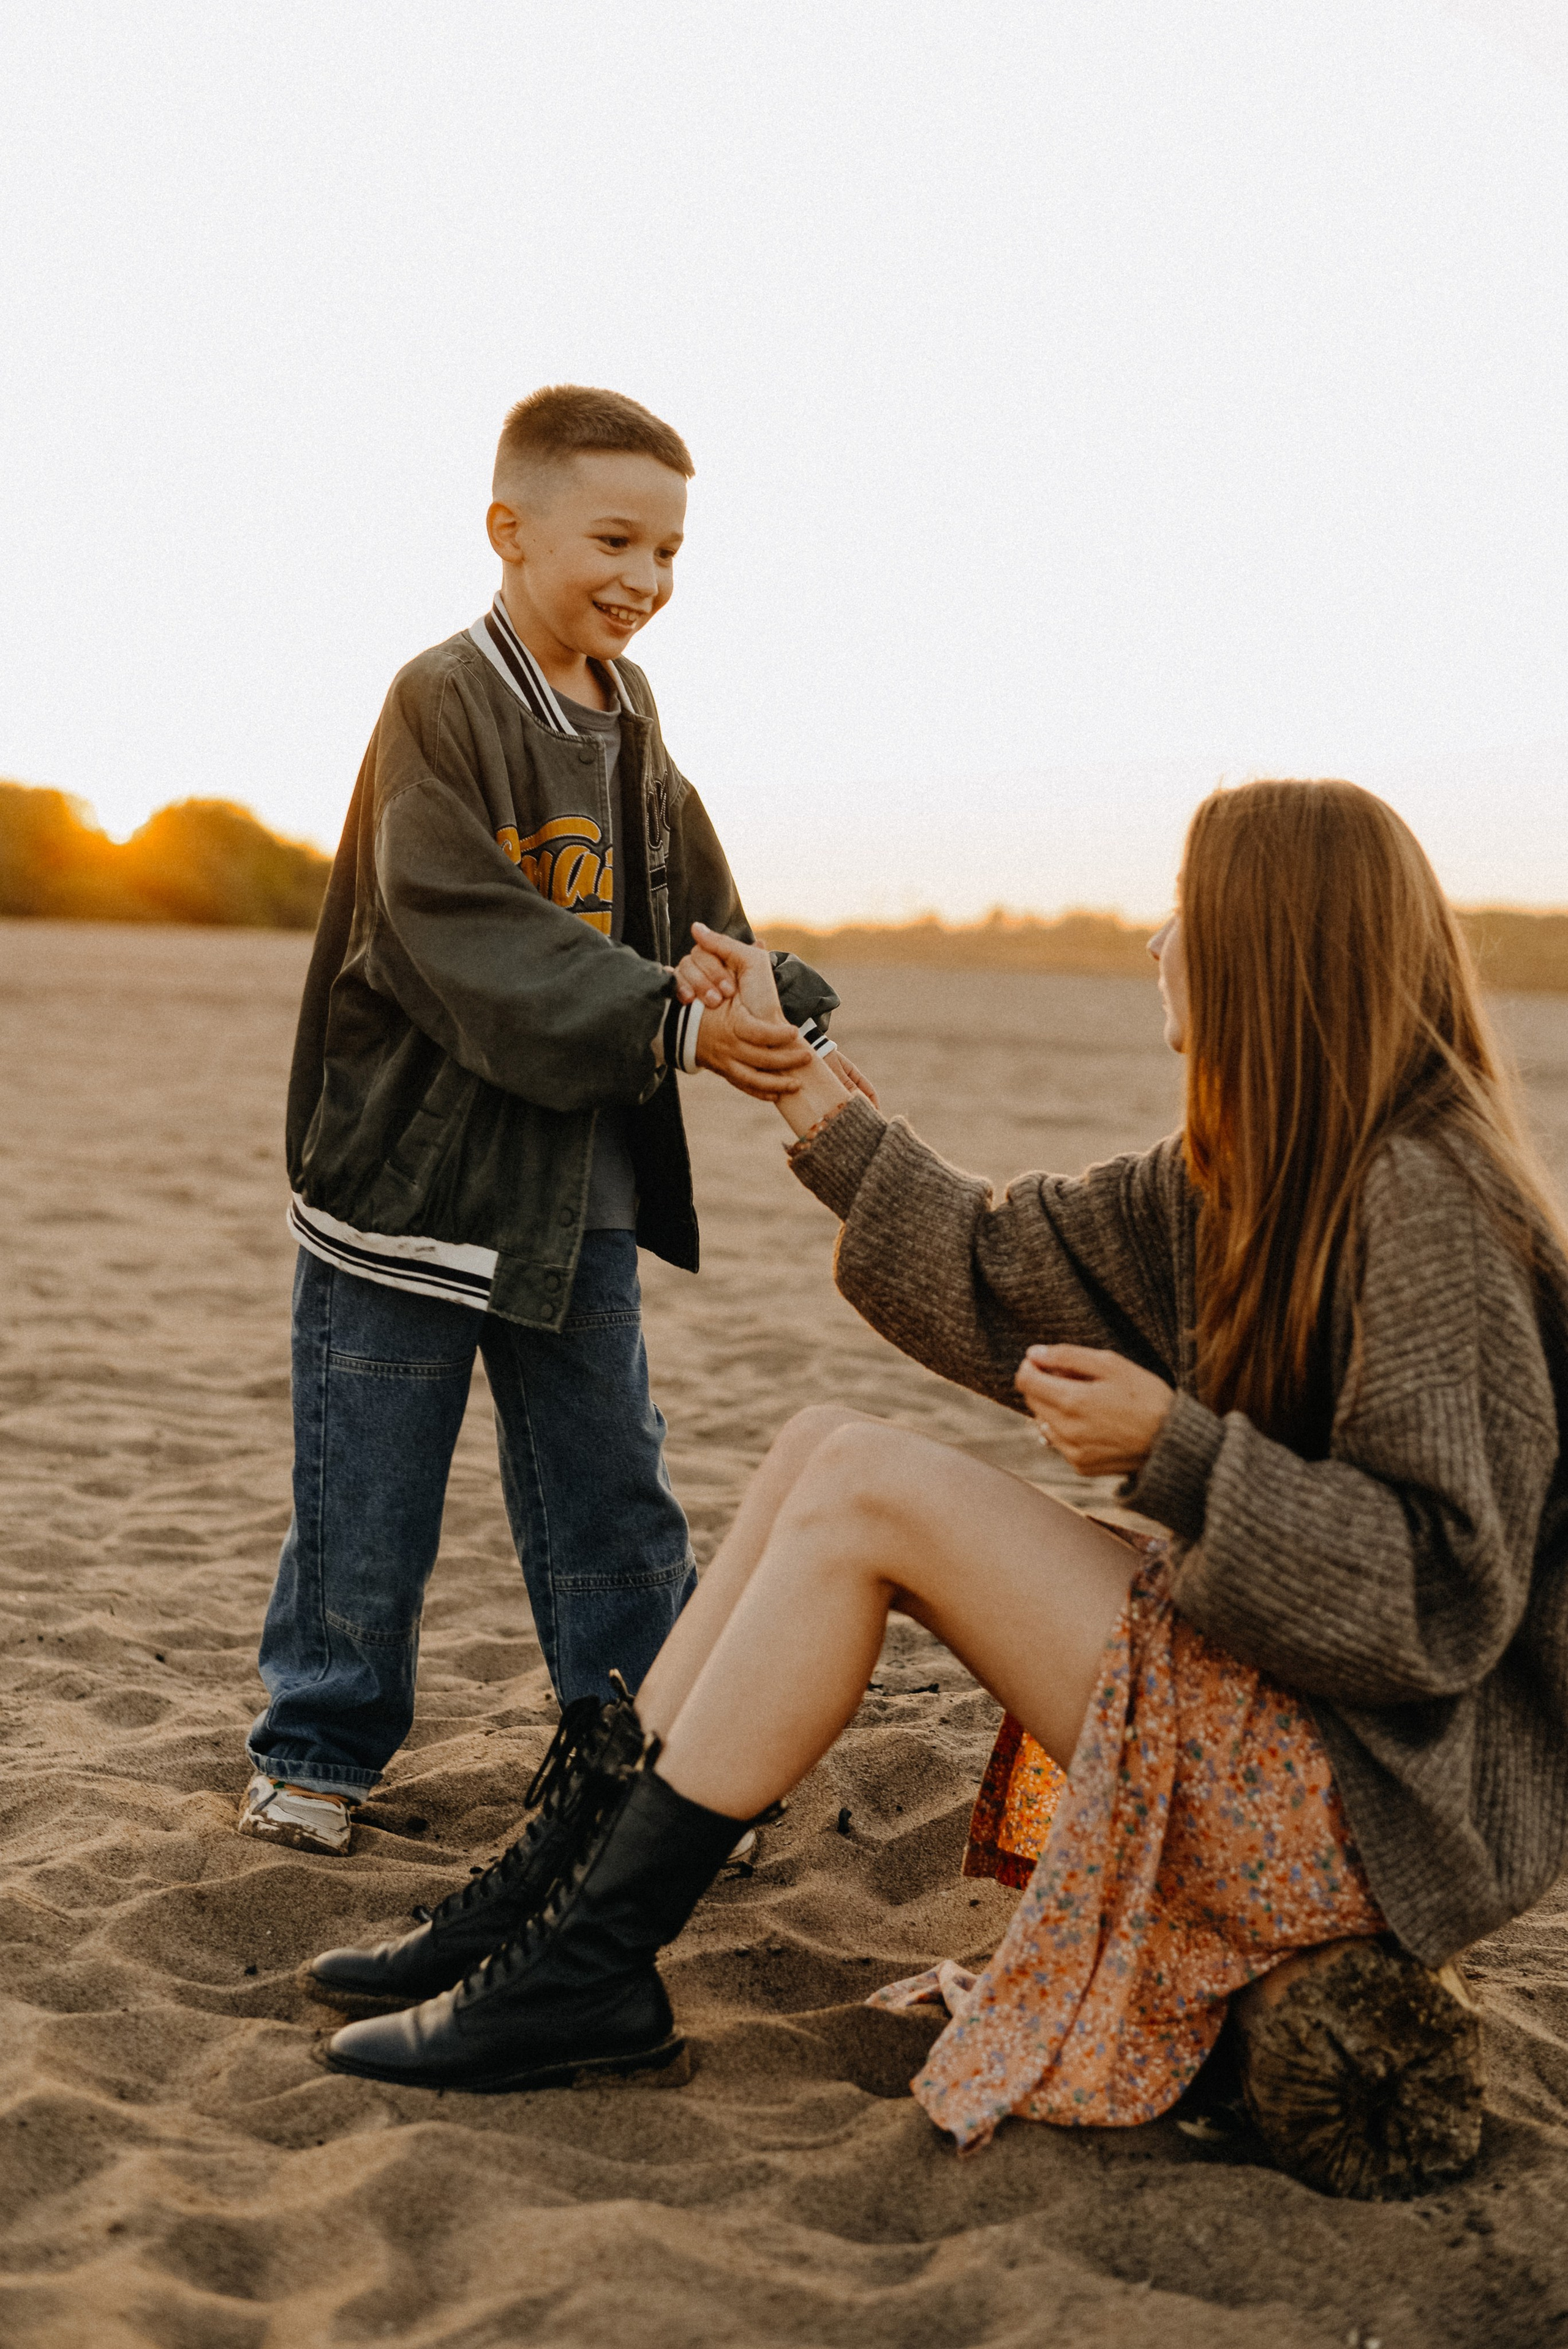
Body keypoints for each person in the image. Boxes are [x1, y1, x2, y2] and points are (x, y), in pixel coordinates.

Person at [314, 779, 1568, 2151]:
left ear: (1268, 944)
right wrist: (798, 1079)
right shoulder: (1255, 1168)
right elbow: (991, 1255)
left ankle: (585, 1968)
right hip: (1287, 1715)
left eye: (1182, 913)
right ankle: (557, 1904)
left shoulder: (1426, 1196)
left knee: (870, 1492)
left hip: (1371, 1801)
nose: (1155, 942)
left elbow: (1438, 1593)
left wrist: (1178, 1453)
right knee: (819, 1448)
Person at [241, 384, 863, 1861]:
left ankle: (652, 1751)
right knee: (367, 1483)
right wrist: (670, 1023)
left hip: (570, 1181)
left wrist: (769, 997)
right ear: (509, 530)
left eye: (668, 552)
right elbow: (457, 927)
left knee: (609, 1485)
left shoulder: (632, 711)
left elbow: (691, 902)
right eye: (613, 540)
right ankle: (318, 1747)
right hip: (413, 1171)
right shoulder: (442, 698)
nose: (643, 581)